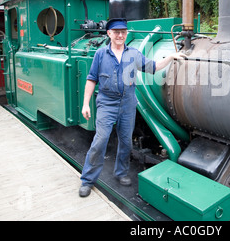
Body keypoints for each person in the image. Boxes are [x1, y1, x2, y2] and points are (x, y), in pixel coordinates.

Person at [79, 18, 186, 197]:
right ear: (109, 34)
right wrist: (85, 103)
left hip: (128, 104)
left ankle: (120, 173)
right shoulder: (100, 54)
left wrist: (170, 57)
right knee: (100, 140)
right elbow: (91, 79)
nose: (120, 35)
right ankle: (87, 180)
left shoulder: (134, 54)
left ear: (126, 34)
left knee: (126, 142)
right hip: (107, 103)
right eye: (116, 32)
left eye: (123, 32)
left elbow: (153, 67)